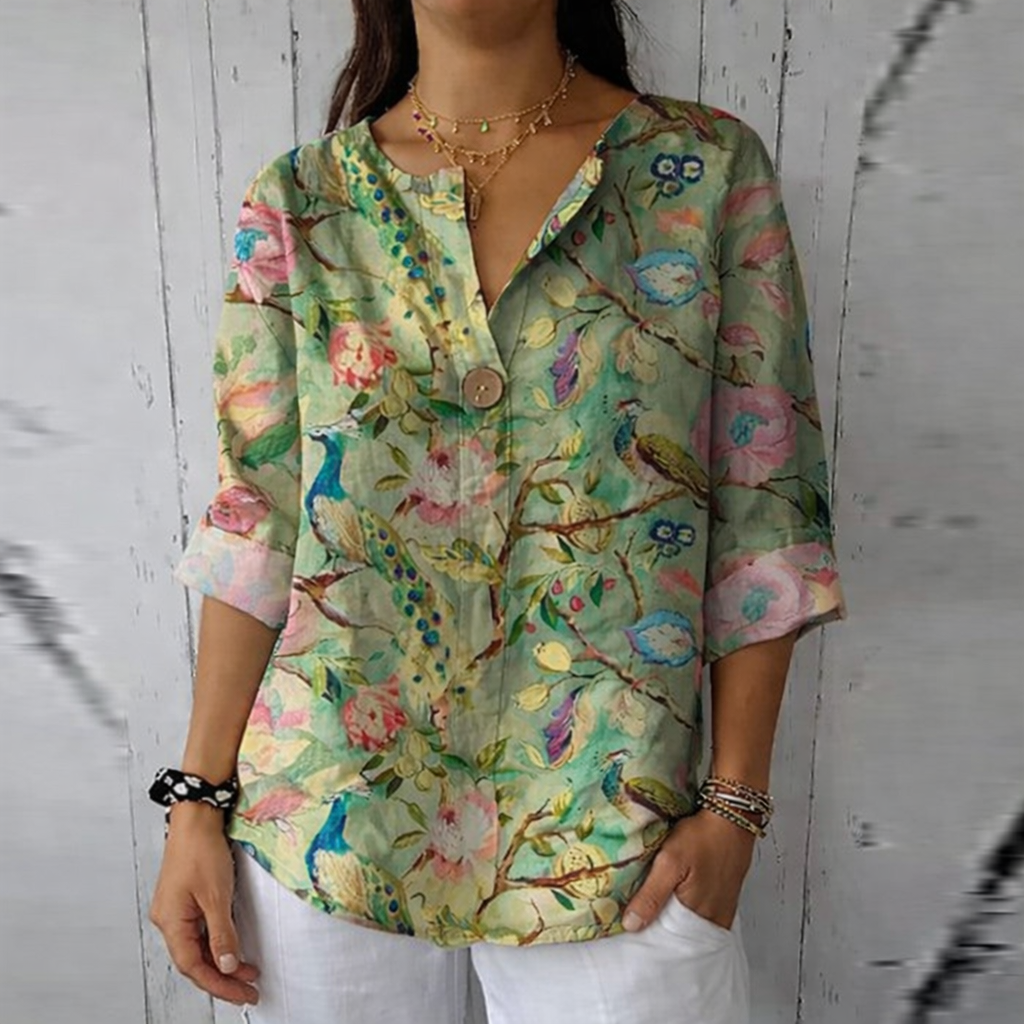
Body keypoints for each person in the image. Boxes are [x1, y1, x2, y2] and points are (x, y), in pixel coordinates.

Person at [147, 1, 848, 1022]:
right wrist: (197, 807)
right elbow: (257, 520)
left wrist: (734, 806)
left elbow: (766, 507)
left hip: (617, 837)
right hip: (328, 824)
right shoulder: (304, 201)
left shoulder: (702, 174)